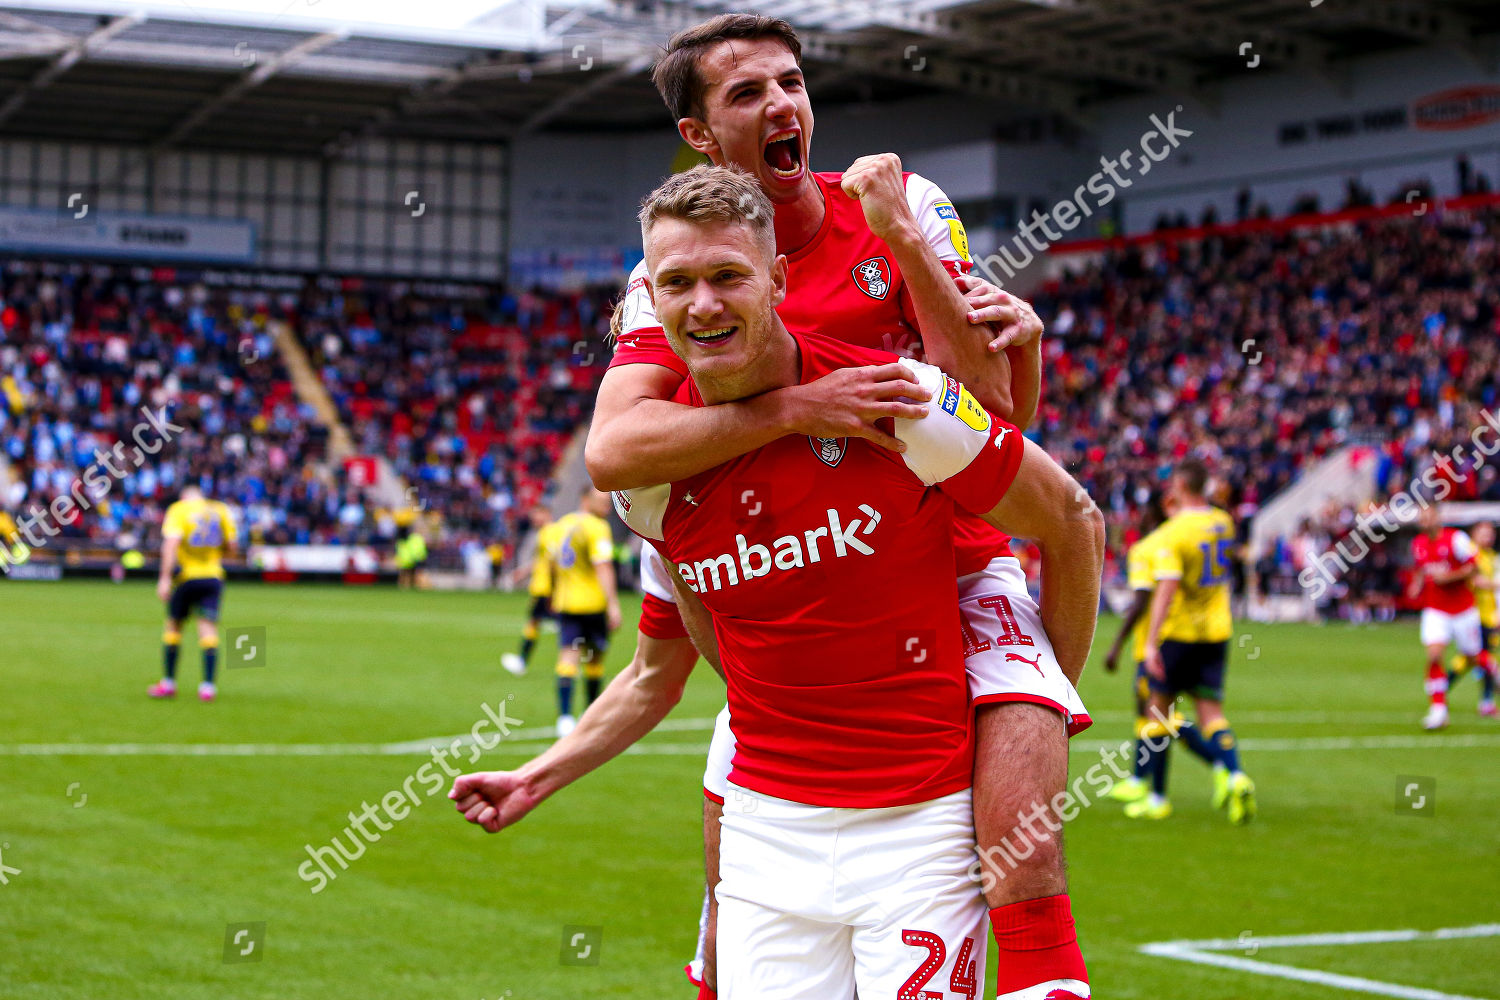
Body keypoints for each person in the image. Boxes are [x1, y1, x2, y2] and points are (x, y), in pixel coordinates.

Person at [452, 166, 1103, 1000]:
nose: (705, 305)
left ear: (780, 281)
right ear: (650, 297)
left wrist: (1042, 694)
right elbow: (685, 649)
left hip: (919, 829)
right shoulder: (649, 480)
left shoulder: (896, 402)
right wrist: (537, 776)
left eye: (728, 276)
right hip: (766, 837)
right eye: (678, 283)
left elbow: (1072, 520)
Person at [584, 15, 1091, 998]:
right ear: (699, 136)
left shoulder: (909, 208)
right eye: (747, 93)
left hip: (956, 555)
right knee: (739, 890)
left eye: (792, 82)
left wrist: (945, 277)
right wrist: (799, 407)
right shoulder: (673, 277)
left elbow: (991, 421)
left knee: (1020, 841)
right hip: (797, 568)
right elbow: (616, 450)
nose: (782, 104)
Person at [1136, 460, 1256, 823]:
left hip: (1180, 633)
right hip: (1217, 630)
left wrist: (1151, 642)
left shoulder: (1175, 532)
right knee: (1212, 714)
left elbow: (1167, 589)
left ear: (1180, 487)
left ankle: (1156, 799)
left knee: (1159, 710)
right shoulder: (1224, 522)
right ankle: (1234, 773)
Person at [1102, 495, 1219, 804]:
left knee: (1158, 717)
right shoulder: (1173, 544)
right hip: (1179, 639)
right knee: (1153, 716)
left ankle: (1217, 763)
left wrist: (1116, 645)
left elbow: (1140, 602)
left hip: (1152, 646)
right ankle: (1149, 788)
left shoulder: (1147, 548)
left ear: (1150, 517)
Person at [1408, 505, 1495, 729]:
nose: (1425, 521)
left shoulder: (1456, 539)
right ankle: (1438, 710)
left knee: (1474, 655)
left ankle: (1494, 672)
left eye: (1429, 517)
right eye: (1422, 518)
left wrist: (1449, 577)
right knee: (1434, 654)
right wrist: (1417, 584)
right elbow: (1421, 569)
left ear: (1438, 518)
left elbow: (1474, 568)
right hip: (1435, 609)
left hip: (1463, 609)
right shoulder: (1417, 544)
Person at [149, 485, 237, 702]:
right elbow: (232, 546)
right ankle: (208, 687)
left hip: (186, 577)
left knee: (174, 626)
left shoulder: (179, 510)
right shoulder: (220, 509)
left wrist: (165, 578)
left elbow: (170, 545)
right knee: (208, 629)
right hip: (213, 576)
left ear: (184, 496)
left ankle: (169, 683)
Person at [549, 489, 623, 737]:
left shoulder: (562, 525)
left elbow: (552, 563)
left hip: (567, 603)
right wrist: (613, 604)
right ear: (585, 500)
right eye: (601, 502)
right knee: (593, 659)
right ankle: (589, 716)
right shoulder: (597, 527)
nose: (607, 507)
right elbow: (603, 566)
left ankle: (565, 717)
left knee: (567, 658)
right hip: (592, 605)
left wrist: (554, 593)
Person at [1446, 519, 1498, 717]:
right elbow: (1473, 580)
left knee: (1471, 658)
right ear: (1474, 533)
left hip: (1487, 615)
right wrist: (1495, 585)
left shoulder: (1490, 556)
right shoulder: (1470, 553)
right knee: (1482, 658)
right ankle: (1486, 702)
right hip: (1472, 614)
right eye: (1484, 532)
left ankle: (1441, 688)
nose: (1489, 536)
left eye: (1491, 533)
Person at [502, 505, 560, 677]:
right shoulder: (546, 532)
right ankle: (574, 661)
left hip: (545, 589)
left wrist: (553, 590)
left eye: (537, 515)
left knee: (537, 622)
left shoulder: (549, 532)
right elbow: (541, 560)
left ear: (546, 513)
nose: (534, 519)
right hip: (543, 587)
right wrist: (522, 573)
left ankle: (522, 661)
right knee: (541, 623)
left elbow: (553, 563)